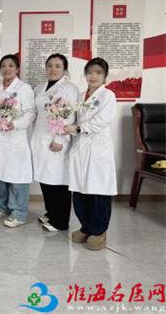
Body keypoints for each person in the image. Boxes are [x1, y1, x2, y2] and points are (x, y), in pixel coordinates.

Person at [64, 57, 117, 251]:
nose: (93, 76)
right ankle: (85, 227)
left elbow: (102, 121)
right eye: (90, 72)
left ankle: (99, 231)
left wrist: (78, 128)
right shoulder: (80, 96)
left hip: (97, 149)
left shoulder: (108, 95)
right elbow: (74, 118)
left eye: (98, 72)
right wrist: (64, 125)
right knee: (79, 190)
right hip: (80, 148)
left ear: (105, 76)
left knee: (97, 190)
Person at [31, 54, 79, 233]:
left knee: (58, 180)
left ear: (64, 69)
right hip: (40, 137)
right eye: (50, 65)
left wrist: (59, 139)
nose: (53, 69)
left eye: (58, 66)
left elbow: (69, 115)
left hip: (56, 140)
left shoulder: (69, 88)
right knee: (45, 178)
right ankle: (51, 212)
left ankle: (61, 221)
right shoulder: (39, 87)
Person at [0, 54, 35, 228]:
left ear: (17, 69)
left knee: (17, 177)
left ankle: (19, 213)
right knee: (0, 175)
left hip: (15, 138)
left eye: (11, 66)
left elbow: (30, 113)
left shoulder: (24, 88)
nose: (7, 69)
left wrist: (15, 124)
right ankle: (1, 206)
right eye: (3, 66)